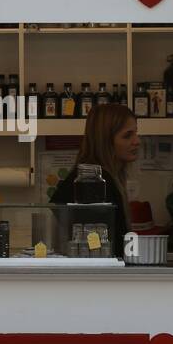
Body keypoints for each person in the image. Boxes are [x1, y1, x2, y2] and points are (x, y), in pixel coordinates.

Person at [49, 103, 140, 255]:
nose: (137, 141)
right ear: (105, 141)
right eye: (127, 135)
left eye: (136, 133)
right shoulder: (95, 182)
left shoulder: (103, 176)